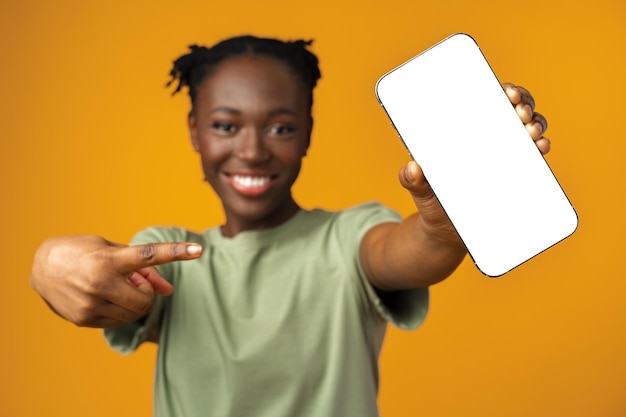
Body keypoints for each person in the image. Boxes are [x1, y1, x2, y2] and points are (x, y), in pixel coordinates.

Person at [29, 35, 550, 417]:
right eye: (225, 125)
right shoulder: (169, 256)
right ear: (195, 131)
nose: (253, 151)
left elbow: (408, 251)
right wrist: (49, 265)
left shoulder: (347, 238)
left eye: (280, 127)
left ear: (307, 133)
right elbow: (111, 288)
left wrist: (441, 225)